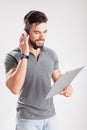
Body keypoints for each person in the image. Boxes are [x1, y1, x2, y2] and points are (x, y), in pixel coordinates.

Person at [4, 10, 73, 130]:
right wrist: (24, 55)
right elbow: (14, 88)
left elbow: (60, 81)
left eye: (45, 32)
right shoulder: (13, 56)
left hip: (51, 118)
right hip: (27, 120)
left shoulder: (51, 54)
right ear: (26, 33)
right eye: (37, 32)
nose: (42, 37)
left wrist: (67, 88)